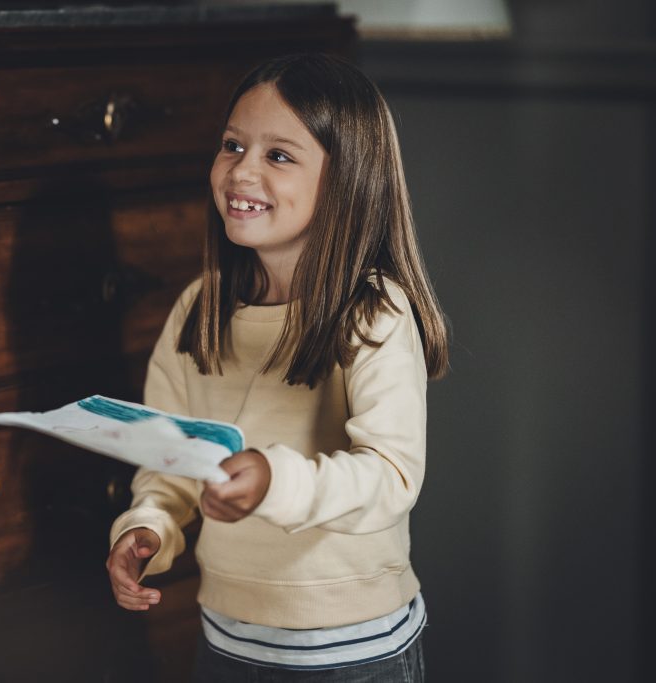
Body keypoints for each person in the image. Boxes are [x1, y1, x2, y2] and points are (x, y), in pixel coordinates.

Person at [105, 53, 449, 682]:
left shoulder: (372, 312)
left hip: (352, 652)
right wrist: (149, 526)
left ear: (347, 181)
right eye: (233, 145)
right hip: (229, 642)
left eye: (279, 155)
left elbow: (391, 476)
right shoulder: (199, 310)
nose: (242, 171)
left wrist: (273, 481)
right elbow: (168, 458)